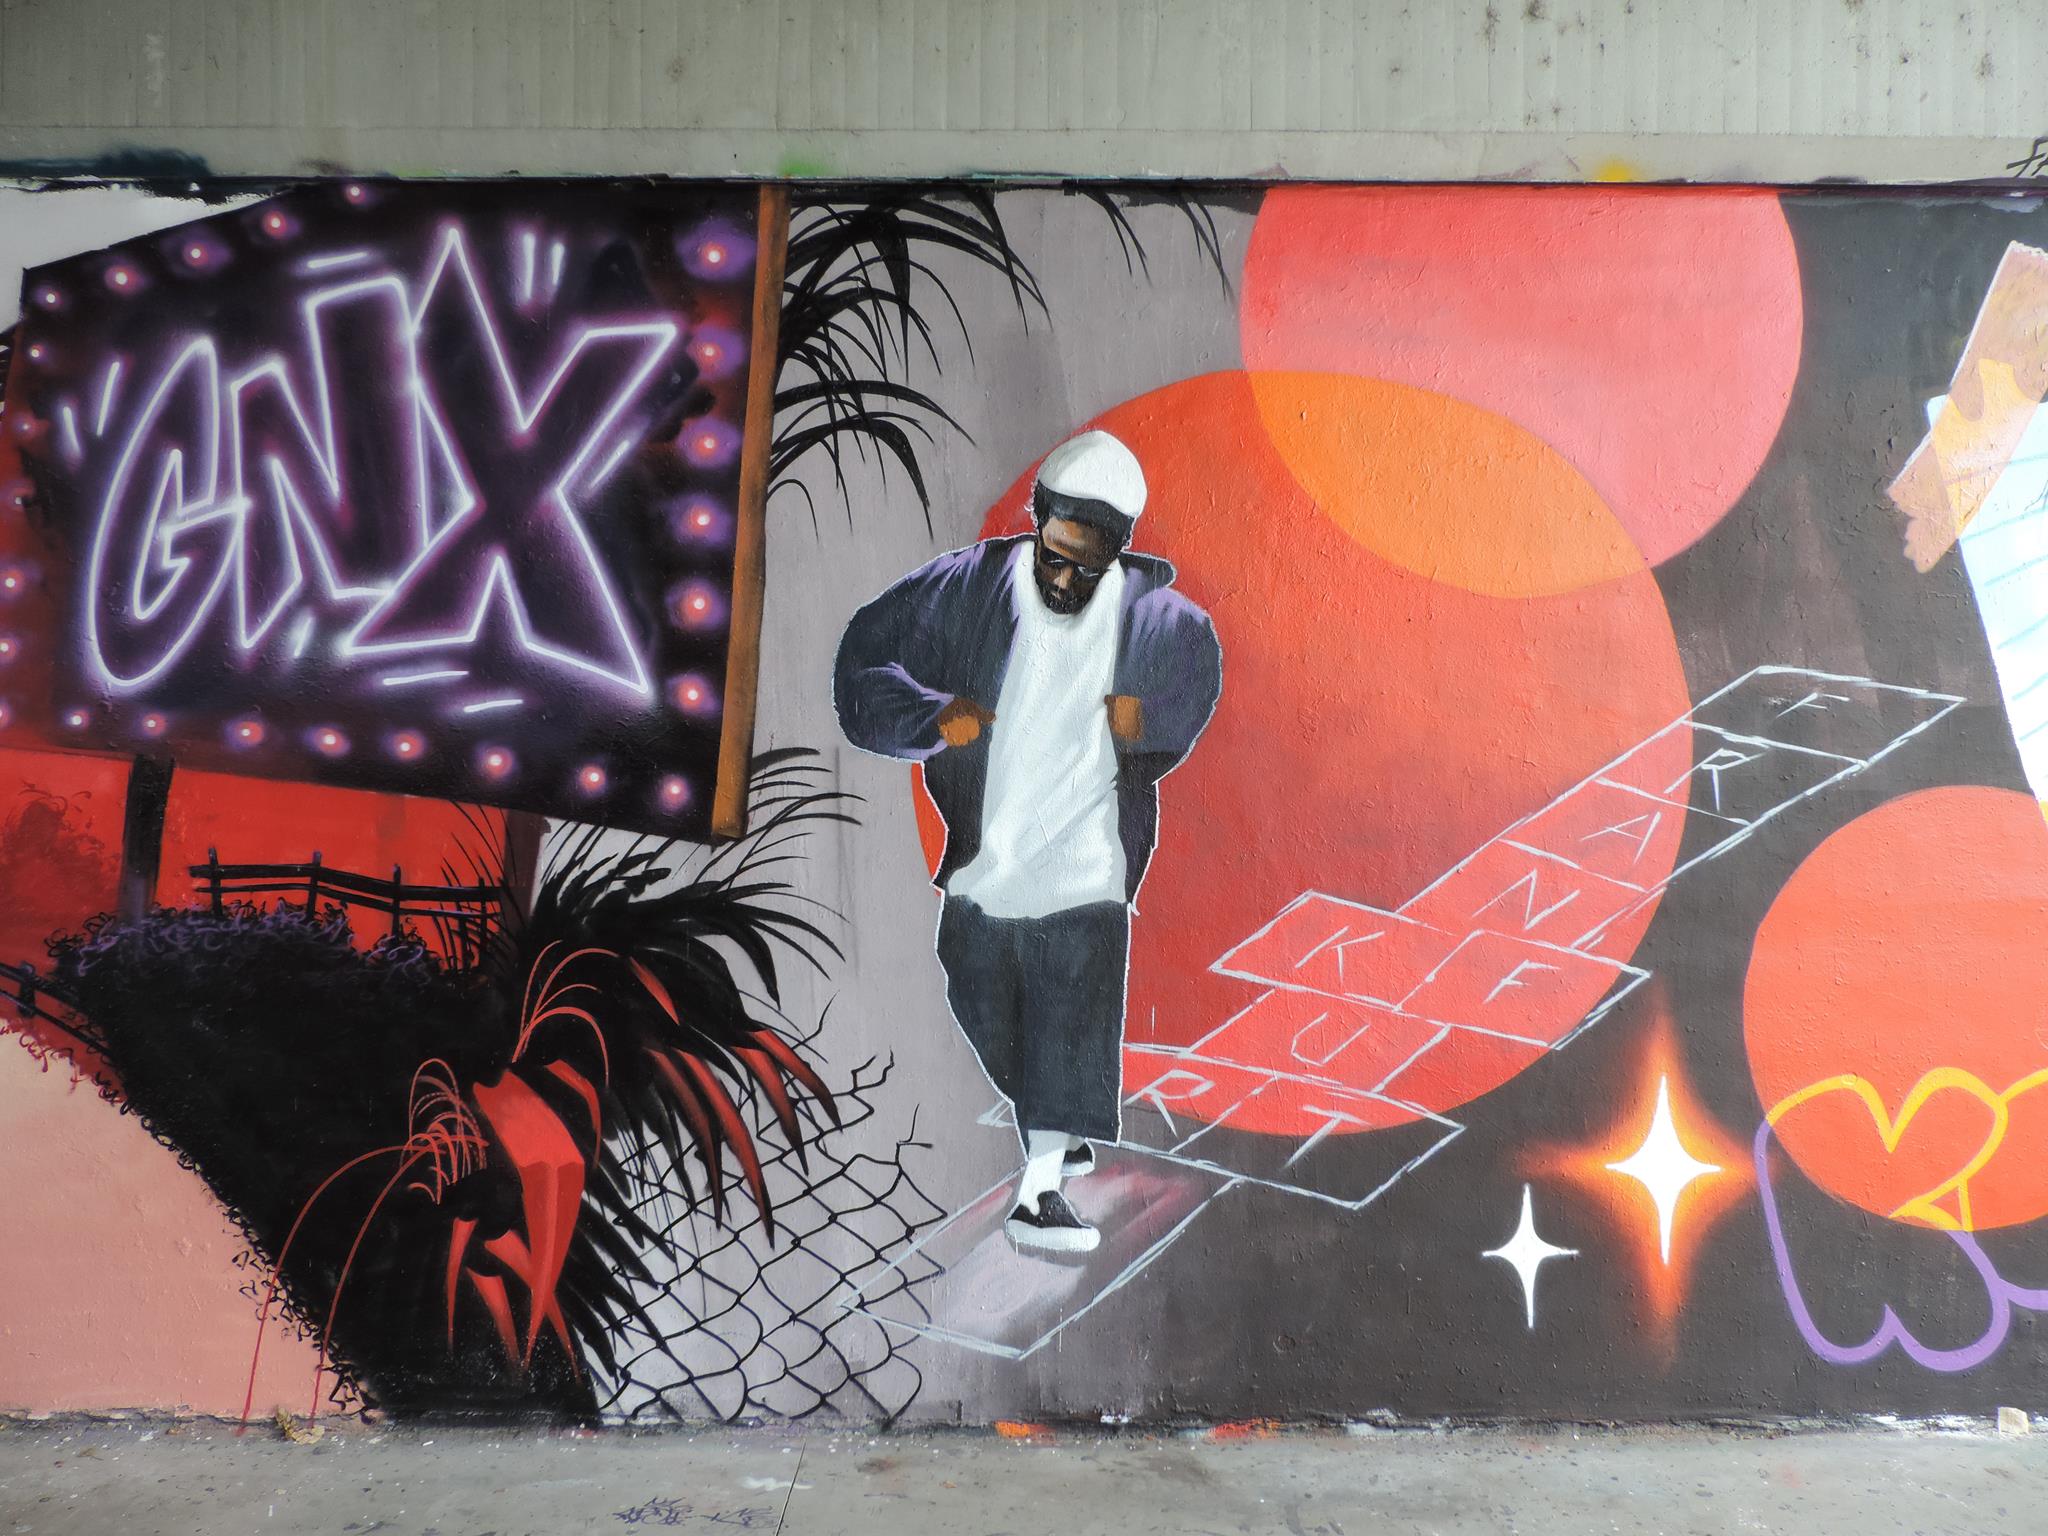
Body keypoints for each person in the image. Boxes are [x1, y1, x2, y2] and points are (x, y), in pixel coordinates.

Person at [833, 429, 1223, 1253]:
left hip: (1088, 868)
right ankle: (1053, 1114)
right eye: (1056, 554)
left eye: (1088, 564)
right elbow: (864, 656)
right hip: (988, 864)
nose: (1065, 578)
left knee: (1067, 1021)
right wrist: (931, 718)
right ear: (1037, 522)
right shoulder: (968, 587)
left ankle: (1041, 1190)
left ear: (1117, 551)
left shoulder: (1156, 620)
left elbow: (1192, 684)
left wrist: (1143, 722)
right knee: (975, 995)